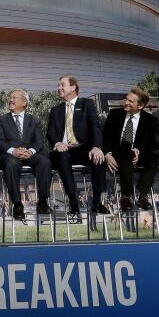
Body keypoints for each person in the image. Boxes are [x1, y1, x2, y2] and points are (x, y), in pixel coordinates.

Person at [47, 75, 108, 214]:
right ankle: (73, 201)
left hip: (82, 149)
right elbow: (50, 132)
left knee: (98, 158)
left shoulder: (87, 104)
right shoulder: (55, 110)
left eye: (62, 85)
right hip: (63, 150)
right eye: (58, 85)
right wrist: (57, 143)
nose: (59, 88)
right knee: (62, 157)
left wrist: (97, 147)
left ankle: (98, 202)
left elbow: (95, 126)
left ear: (73, 87)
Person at [0, 89, 51, 221]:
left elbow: (39, 141)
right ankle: (17, 205)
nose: (10, 100)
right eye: (10, 97)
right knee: (11, 164)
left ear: (24, 102)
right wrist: (13, 150)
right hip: (10, 155)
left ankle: (43, 201)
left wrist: (30, 151)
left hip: (30, 154)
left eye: (14, 97)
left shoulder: (34, 120)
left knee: (45, 162)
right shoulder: (1, 120)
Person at [102, 87, 159, 210]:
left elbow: (150, 143)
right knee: (126, 154)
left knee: (154, 157)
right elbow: (105, 137)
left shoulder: (151, 120)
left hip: (138, 152)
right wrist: (107, 153)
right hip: (118, 151)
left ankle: (143, 195)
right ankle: (126, 196)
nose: (126, 102)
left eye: (130, 101)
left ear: (140, 105)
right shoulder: (114, 114)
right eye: (126, 99)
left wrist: (139, 151)